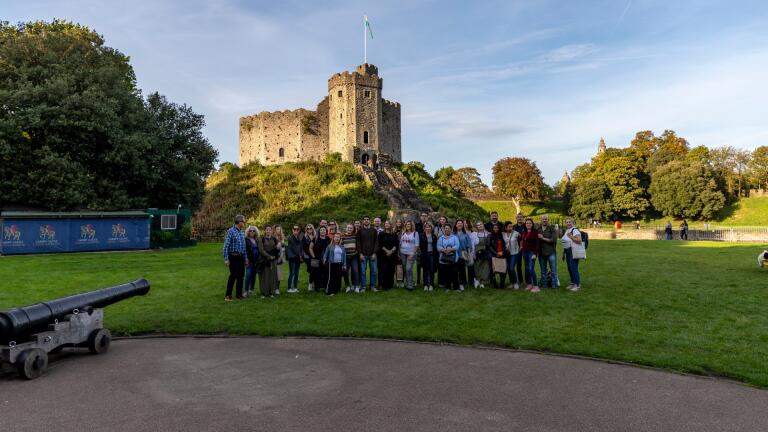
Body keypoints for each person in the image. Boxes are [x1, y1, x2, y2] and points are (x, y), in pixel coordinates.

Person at [223, 215, 247, 301]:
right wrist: (226, 259)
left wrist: (245, 258)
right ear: (239, 222)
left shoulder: (242, 232)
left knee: (241, 276)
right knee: (233, 275)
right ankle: (228, 295)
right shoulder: (231, 231)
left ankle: (239, 295)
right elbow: (226, 246)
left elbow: (244, 247)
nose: (244, 223)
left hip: (241, 257)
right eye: (243, 221)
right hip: (233, 256)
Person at [561, 218, 586, 291]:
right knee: (570, 267)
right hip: (568, 251)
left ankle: (577, 284)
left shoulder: (574, 230)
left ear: (573, 223)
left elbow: (579, 240)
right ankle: (573, 283)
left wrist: (571, 236)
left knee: (573, 268)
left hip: (573, 251)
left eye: (570, 222)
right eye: (567, 222)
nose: (568, 223)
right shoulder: (568, 230)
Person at [357, 216, 379, 292]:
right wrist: (360, 253)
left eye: (367, 219)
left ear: (370, 221)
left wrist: (374, 253)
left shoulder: (374, 230)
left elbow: (376, 242)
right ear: (363, 221)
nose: (366, 221)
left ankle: (372, 286)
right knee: (363, 272)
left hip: (372, 254)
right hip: (363, 255)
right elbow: (358, 243)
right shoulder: (360, 231)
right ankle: (363, 286)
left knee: (374, 271)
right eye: (365, 219)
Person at [537, 215, 559, 289]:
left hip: (551, 252)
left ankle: (554, 285)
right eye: (543, 219)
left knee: (553, 271)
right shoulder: (538, 229)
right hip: (541, 253)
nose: (544, 220)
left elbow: (553, 240)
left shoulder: (552, 229)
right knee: (543, 271)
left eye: (546, 219)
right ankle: (544, 285)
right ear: (541, 220)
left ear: (548, 220)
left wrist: (542, 238)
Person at [437, 224, 461, 291]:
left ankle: (456, 288)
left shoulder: (454, 237)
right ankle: (448, 287)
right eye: (445, 228)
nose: (447, 229)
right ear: (444, 229)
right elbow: (438, 246)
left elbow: (457, 245)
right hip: (444, 259)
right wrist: (443, 250)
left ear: (451, 229)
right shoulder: (441, 238)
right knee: (447, 274)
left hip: (454, 259)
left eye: (448, 228)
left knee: (455, 273)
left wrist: (450, 249)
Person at [258, 225, 280, 298]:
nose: (268, 231)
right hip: (265, 260)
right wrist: (268, 256)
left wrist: (275, 255)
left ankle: (271, 292)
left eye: (270, 230)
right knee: (264, 276)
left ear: (271, 231)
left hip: (273, 260)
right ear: (265, 231)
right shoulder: (261, 239)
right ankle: (263, 293)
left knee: (272, 276)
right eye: (267, 230)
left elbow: (277, 248)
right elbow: (261, 250)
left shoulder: (274, 239)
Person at [377, 221, 399, 290]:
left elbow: (396, 244)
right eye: (385, 224)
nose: (387, 225)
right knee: (384, 270)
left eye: (388, 224)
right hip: (383, 255)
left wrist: (391, 251)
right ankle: (384, 285)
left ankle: (390, 285)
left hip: (392, 255)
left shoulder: (394, 234)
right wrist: (387, 251)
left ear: (391, 225)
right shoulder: (381, 234)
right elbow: (380, 244)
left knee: (391, 270)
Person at [520, 217, 540, 292]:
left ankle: (536, 286)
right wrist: (521, 246)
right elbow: (522, 240)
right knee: (527, 268)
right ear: (525, 224)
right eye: (527, 223)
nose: (528, 224)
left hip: (532, 252)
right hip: (524, 252)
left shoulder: (535, 232)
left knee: (531, 269)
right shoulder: (524, 232)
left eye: (529, 223)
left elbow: (537, 244)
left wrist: (535, 254)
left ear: (532, 224)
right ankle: (529, 284)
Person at [399, 221, 420, 291]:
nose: (408, 225)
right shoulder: (403, 233)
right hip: (403, 253)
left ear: (412, 225)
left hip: (411, 254)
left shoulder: (415, 233)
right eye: (407, 224)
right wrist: (399, 252)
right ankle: (409, 283)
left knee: (408, 269)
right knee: (405, 269)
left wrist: (413, 254)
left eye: (409, 224)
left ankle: (410, 285)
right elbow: (400, 243)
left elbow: (417, 245)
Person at [419, 222, 438, 291]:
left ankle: (431, 284)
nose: (428, 228)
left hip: (432, 255)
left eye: (429, 227)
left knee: (431, 270)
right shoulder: (421, 235)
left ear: (431, 228)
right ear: (424, 228)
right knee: (425, 270)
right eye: (426, 227)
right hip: (424, 255)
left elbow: (436, 247)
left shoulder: (434, 236)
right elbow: (419, 246)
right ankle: (425, 284)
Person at [342, 224, 361, 293]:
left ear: (353, 229)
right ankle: (347, 286)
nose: (349, 229)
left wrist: (356, 252)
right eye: (348, 228)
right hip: (346, 257)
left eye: (351, 228)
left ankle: (356, 286)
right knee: (346, 272)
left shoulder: (355, 236)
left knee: (355, 271)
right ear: (346, 228)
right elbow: (341, 246)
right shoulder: (343, 236)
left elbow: (358, 245)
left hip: (354, 256)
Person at [488, 223, 508, 288]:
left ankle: (502, 283)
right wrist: (496, 253)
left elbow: (504, 245)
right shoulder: (490, 236)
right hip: (493, 255)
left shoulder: (501, 235)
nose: (496, 229)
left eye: (497, 228)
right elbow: (489, 246)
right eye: (494, 228)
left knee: (503, 269)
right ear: (492, 229)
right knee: (493, 270)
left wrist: (502, 252)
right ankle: (494, 283)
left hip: (502, 254)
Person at [453, 220, 472, 290]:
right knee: (454, 270)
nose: (459, 224)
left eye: (461, 223)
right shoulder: (453, 234)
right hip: (454, 254)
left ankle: (461, 284)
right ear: (456, 225)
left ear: (463, 225)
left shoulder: (465, 234)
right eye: (458, 223)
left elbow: (469, 245)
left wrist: (469, 255)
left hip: (462, 254)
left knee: (461, 270)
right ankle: (455, 283)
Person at [285, 225, 303, 293]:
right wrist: (300, 255)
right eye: (294, 229)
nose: (296, 230)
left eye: (297, 229)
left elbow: (301, 247)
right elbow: (294, 248)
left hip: (298, 258)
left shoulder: (299, 237)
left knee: (296, 273)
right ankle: (289, 288)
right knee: (291, 273)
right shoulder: (290, 238)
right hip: (292, 257)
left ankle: (295, 287)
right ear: (292, 230)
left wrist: (301, 255)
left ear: (299, 230)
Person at [312, 226, 330, 293]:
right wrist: (313, 256)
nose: (323, 231)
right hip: (316, 259)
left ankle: (325, 287)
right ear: (319, 231)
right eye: (321, 230)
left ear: (326, 231)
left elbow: (330, 248)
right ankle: (317, 287)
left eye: (324, 230)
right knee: (315, 273)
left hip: (325, 259)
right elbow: (310, 248)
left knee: (325, 273)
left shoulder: (328, 239)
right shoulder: (316, 238)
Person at [472, 222, 490, 288]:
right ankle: (477, 280)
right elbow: (472, 245)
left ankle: (482, 282)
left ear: (483, 225)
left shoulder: (488, 234)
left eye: (481, 224)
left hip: (485, 253)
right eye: (478, 225)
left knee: (485, 267)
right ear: (476, 227)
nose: (480, 226)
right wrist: (473, 254)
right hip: (477, 253)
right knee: (477, 267)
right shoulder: (474, 234)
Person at [244, 226, 261, 297]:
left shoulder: (256, 240)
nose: (252, 232)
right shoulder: (245, 239)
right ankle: (246, 291)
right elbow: (244, 249)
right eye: (250, 231)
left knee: (253, 276)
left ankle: (251, 290)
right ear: (248, 232)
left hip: (256, 260)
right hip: (249, 260)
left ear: (255, 232)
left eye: (253, 231)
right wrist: (246, 258)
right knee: (248, 275)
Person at [503, 221, 520, 289]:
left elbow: (521, 239)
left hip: (515, 253)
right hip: (507, 254)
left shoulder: (516, 233)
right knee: (509, 269)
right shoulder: (503, 234)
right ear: (505, 227)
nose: (511, 228)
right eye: (509, 226)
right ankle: (512, 283)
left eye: (511, 226)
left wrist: (521, 246)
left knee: (511, 268)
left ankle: (516, 282)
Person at [302, 224, 317, 291]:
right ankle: (310, 284)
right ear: (306, 230)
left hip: (315, 256)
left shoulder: (316, 236)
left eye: (310, 228)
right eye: (307, 228)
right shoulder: (304, 237)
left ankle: (315, 284)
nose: (309, 230)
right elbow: (304, 248)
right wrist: (310, 255)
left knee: (314, 270)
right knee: (311, 270)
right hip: (308, 257)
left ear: (312, 229)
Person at [463, 219, 477, 288]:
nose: (465, 224)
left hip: (471, 251)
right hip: (463, 251)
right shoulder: (462, 232)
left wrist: (474, 252)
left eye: (466, 223)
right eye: (464, 223)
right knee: (462, 267)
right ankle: (464, 281)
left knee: (471, 266)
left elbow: (474, 243)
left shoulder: (473, 233)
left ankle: (471, 281)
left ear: (469, 224)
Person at [513, 213, 526, 284]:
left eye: (521, 217)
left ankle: (528, 280)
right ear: (516, 218)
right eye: (518, 217)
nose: (520, 218)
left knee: (527, 265)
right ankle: (520, 280)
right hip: (516, 248)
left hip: (526, 248)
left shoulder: (526, 226)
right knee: (518, 265)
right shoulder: (514, 227)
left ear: (523, 218)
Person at [273, 225, 285, 295]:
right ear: (274, 230)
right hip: (274, 257)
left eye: (280, 229)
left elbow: (283, 249)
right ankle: (273, 288)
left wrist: (281, 257)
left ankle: (277, 288)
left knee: (279, 274)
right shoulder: (272, 238)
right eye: (277, 229)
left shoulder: (282, 238)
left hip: (280, 258)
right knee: (273, 274)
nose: (278, 230)